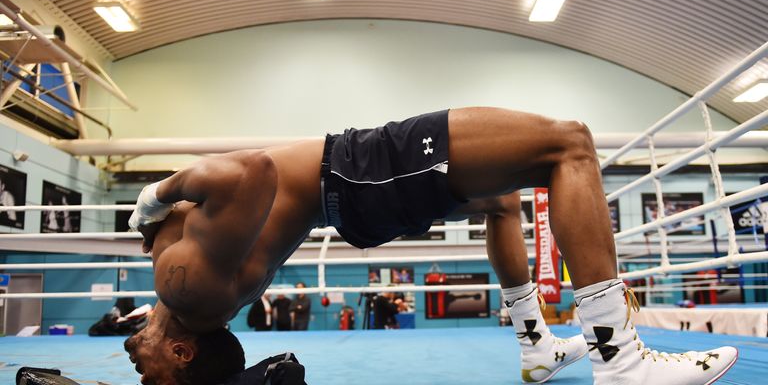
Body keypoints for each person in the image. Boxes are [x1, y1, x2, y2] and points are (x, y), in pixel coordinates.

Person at [126, 108, 737, 385]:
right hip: (353, 172)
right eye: (148, 372)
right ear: (181, 354)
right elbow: (248, 171)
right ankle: (620, 360)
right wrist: (157, 194)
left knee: (501, 201)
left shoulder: (188, 287)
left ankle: (537, 348)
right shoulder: (182, 284)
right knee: (568, 143)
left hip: (351, 187)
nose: (133, 357)